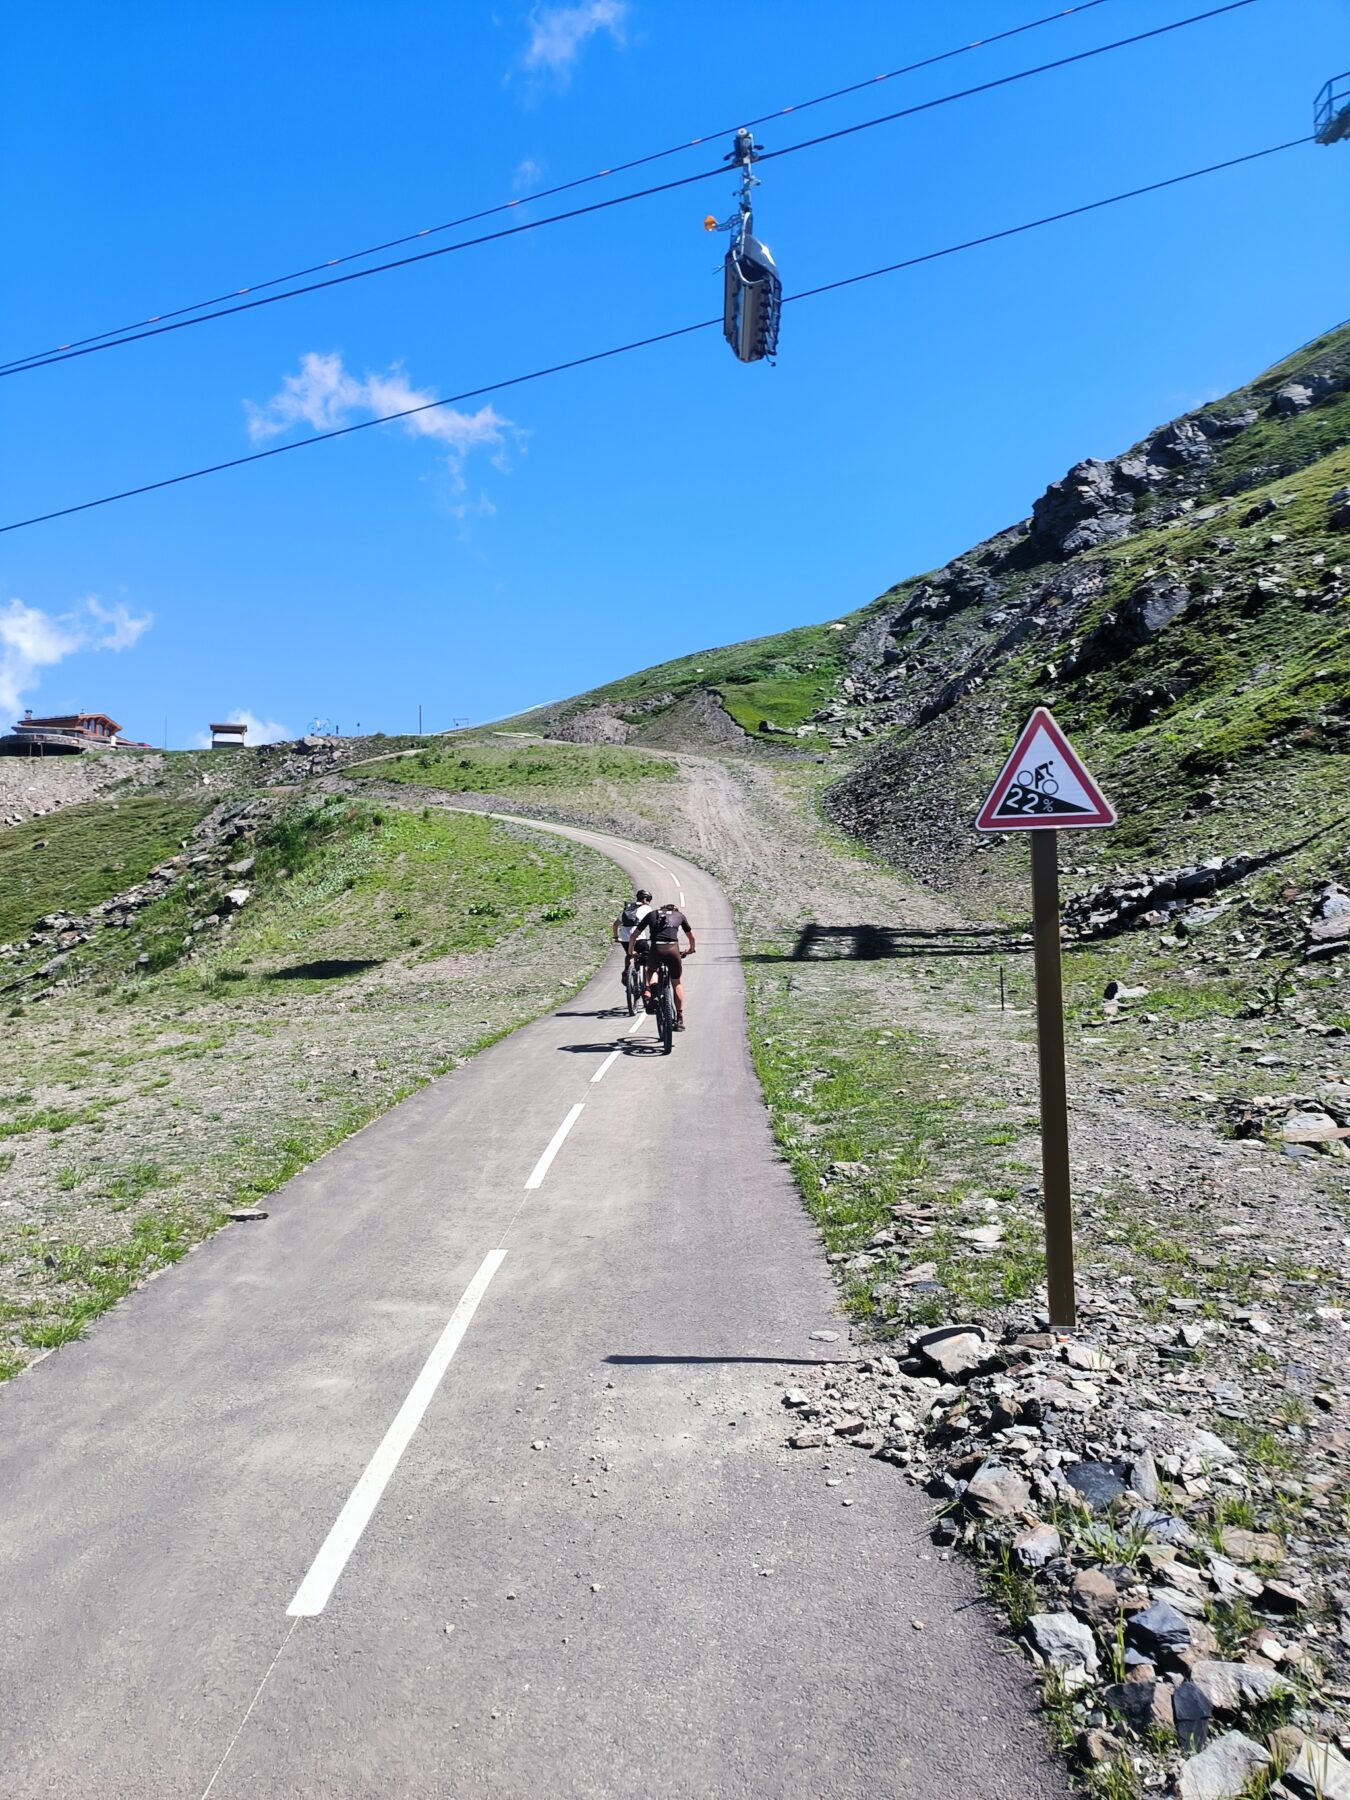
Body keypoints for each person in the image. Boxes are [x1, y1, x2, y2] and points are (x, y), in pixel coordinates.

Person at [629, 900, 696, 1030]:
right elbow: (691, 937)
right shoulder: (679, 915)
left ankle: (654, 994)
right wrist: (691, 949)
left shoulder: (652, 914)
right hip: (673, 950)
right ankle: (680, 1019)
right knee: (676, 982)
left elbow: (634, 935)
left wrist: (631, 952)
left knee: (651, 970)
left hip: (656, 949)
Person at [613, 888, 653, 989]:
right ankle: (647, 987)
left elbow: (615, 925)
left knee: (629, 954)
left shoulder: (627, 909)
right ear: (644, 900)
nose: (648, 903)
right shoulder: (647, 908)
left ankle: (627, 970)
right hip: (640, 939)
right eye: (648, 900)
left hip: (625, 939)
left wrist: (617, 937)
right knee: (647, 961)